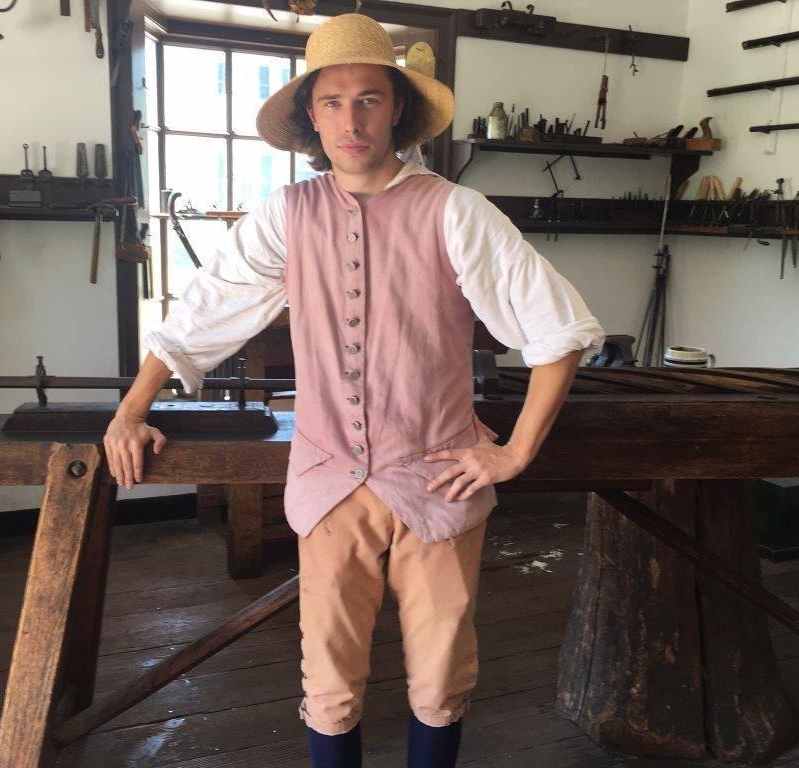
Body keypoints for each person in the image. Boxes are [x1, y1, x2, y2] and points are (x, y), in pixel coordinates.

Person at [104, 14, 604, 768]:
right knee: (330, 681)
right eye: (332, 102)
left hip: (440, 477)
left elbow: (557, 327)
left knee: (441, 678)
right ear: (311, 115)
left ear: (397, 107)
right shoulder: (286, 215)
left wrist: (516, 452)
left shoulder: (453, 210)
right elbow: (202, 314)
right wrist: (130, 411)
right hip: (328, 478)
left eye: (368, 99)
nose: (351, 119)